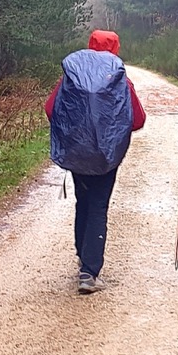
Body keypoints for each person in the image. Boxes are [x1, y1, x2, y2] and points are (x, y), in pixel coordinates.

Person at [46, 30, 146, 294]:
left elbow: (49, 108)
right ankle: (89, 272)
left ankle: (83, 257)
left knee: (84, 201)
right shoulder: (119, 79)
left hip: (78, 154)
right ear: (115, 47)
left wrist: (72, 132)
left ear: (89, 45)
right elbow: (138, 119)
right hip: (106, 156)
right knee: (99, 206)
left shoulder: (72, 77)